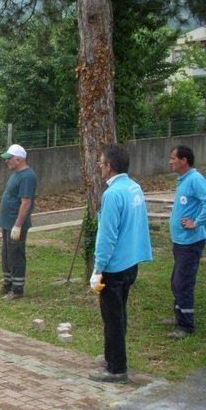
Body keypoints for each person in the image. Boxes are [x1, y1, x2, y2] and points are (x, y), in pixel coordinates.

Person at [89, 144, 152, 383]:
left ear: (109, 167)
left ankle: (117, 368)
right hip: (130, 263)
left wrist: (98, 268)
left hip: (114, 268)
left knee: (112, 317)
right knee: (119, 313)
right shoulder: (134, 188)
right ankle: (112, 355)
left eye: (101, 163)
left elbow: (107, 236)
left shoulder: (113, 194)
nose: (100, 167)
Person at [164, 145, 206, 339]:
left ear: (184, 160)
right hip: (180, 241)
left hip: (191, 242)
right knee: (176, 281)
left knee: (183, 282)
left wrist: (196, 222)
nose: (170, 161)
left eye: (173, 158)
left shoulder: (195, 180)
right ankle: (179, 315)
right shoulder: (183, 180)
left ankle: (186, 326)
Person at [0, 144, 37, 300]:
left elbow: (26, 202)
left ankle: (17, 289)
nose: (7, 162)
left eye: (9, 159)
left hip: (15, 224)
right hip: (7, 223)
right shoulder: (15, 173)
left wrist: (18, 225)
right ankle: (8, 284)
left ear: (19, 159)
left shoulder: (27, 176)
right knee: (6, 253)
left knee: (16, 254)